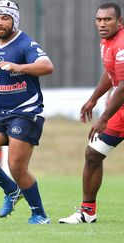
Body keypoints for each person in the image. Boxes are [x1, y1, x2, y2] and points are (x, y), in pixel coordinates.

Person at [0, 0, 54, 224]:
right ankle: (11, 190)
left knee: (16, 166)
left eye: (5, 18)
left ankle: (39, 214)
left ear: (14, 20)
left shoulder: (25, 44)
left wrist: (19, 67)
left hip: (26, 112)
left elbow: (47, 66)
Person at [59, 2, 124, 224]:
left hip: (118, 106)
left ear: (119, 22)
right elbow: (110, 74)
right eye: (99, 20)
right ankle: (87, 212)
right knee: (93, 154)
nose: (103, 24)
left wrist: (103, 117)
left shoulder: (123, 43)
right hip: (121, 110)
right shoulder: (107, 42)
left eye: (108, 20)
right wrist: (93, 99)